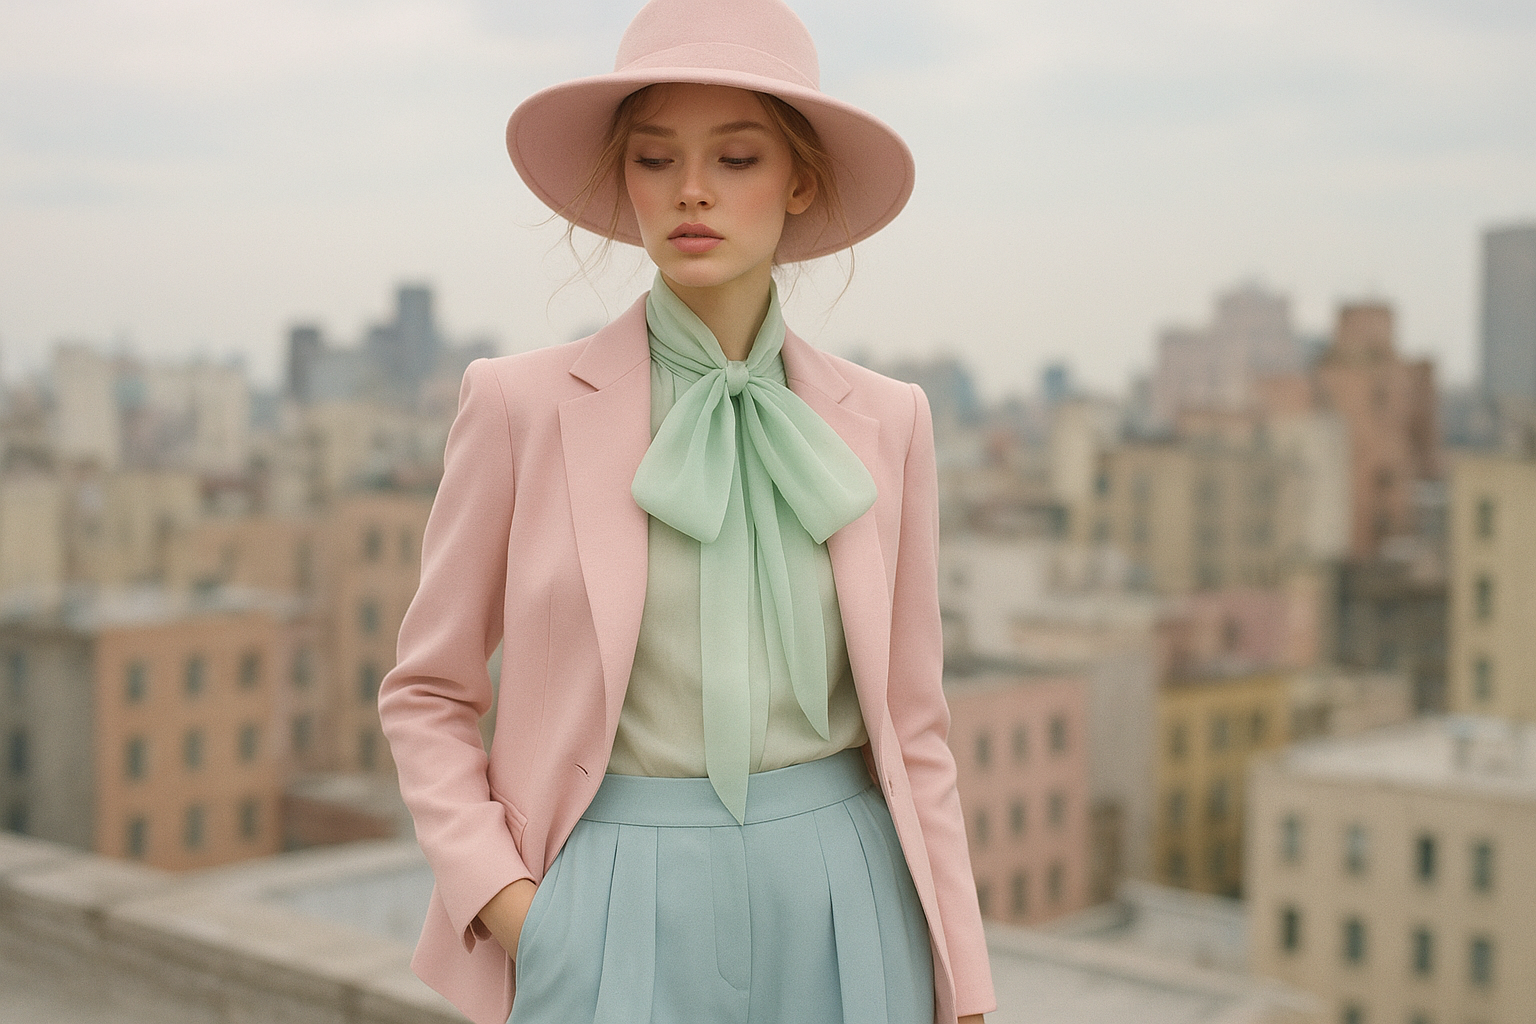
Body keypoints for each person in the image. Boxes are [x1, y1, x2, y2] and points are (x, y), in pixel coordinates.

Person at [377, 1, 995, 1022]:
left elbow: (916, 726)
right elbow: (428, 692)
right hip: (608, 897)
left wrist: (962, 984)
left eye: (738, 157)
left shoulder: (891, 420)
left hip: (853, 896)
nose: (692, 191)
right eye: (655, 159)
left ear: (800, 179)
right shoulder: (517, 407)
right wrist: (515, 902)